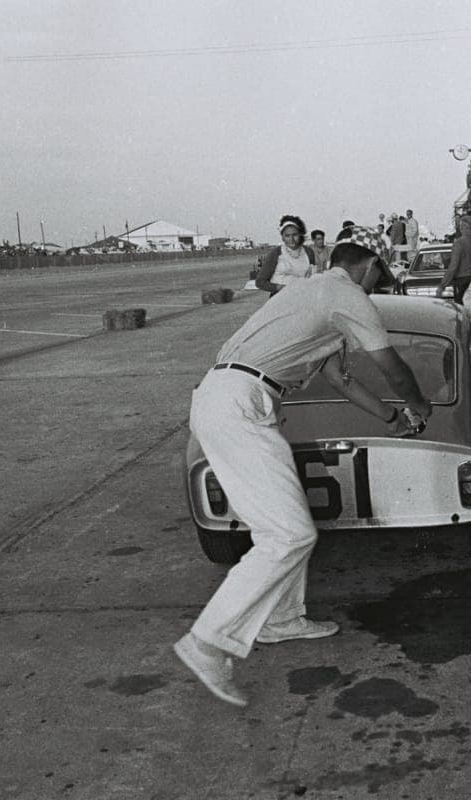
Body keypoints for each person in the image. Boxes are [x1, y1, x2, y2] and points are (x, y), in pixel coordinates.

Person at [174, 226, 433, 707]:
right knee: (288, 535)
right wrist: (420, 405)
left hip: (230, 397)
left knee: (284, 523)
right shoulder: (347, 294)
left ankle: (281, 619)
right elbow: (392, 366)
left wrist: (393, 419)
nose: (379, 282)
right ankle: (207, 642)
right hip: (239, 402)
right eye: (380, 273)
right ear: (368, 265)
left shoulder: (314, 293)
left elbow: (341, 381)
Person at [437, 214, 471, 302]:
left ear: (463, 227)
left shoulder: (459, 244)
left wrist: (442, 286)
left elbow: (453, 267)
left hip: (463, 283)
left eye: (460, 226)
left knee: (462, 307)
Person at [256, 215, 315, 296]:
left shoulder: (308, 252)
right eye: (287, 236)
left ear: (300, 234)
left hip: (302, 296)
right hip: (280, 296)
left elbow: (312, 276)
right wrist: (278, 287)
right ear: (282, 238)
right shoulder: (275, 253)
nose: (291, 239)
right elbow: (260, 282)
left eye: (295, 235)